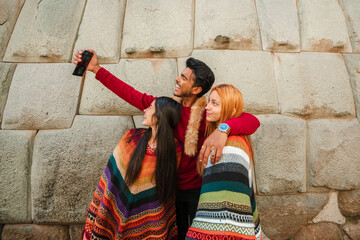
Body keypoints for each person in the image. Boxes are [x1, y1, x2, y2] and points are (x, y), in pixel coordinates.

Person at [73, 50, 260, 239]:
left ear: (196, 89)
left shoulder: (209, 114)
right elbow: (129, 93)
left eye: (184, 78)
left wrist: (223, 129)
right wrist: (96, 69)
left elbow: (252, 121)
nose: (177, 79)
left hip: (199, 190)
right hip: (169, 188)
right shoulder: (167, 110)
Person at [82, 97, 182, 239]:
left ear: (160, 116)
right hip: (114, 208)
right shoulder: (132, 137)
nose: (145, 110)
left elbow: (164, 190)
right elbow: (111, 177)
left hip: (149, 219)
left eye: (150, 108)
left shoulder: (174, 149)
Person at [186, 84, 262, 240]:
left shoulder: (230, 147)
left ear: (231, 110)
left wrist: (224, 128)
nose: (207, 107)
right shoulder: (205, 125)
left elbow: (228, 213)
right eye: (208, 101)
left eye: (214, 103)